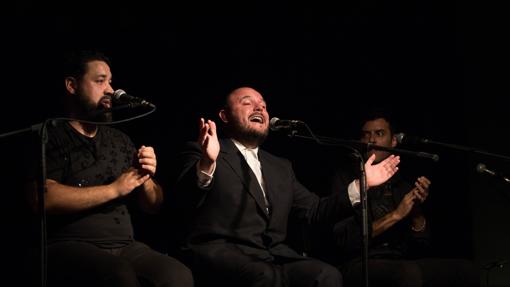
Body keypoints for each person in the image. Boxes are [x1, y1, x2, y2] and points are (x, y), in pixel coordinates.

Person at [173, 87, 401, 287]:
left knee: (325, 275)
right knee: (265, 276)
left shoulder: (280, 166)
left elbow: (315, 210)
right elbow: (182, 201)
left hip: (273, 255)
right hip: (221, 252)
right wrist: (207, 163)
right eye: (247, 103)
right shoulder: (204, 151)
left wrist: (361, 186)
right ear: (224, 115)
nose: (259, 108)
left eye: (263, 106)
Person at [28, 50, 193, 287]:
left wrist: (145, 177)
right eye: (100, 81)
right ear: (72, 85)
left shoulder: (120, 139)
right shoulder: (50, 134)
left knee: (177, 276)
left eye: (110, 81)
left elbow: (154, 206)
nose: (110, 89)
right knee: (117, 275)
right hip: (69, 244)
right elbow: (41, 197)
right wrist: (115, 189)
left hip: (125, 245)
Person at [311, 108, 480, 287]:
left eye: (379, 133)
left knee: (465, 270)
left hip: (397, 259)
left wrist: (415, 211)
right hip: (359, 262)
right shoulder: (346, 178)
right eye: (366, 135)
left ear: (393, 141)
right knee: (406, 273)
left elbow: (421, 245)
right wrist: (395, 215)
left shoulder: (402, 183)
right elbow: (345, 240)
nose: (372, 140)